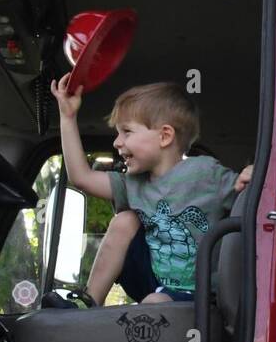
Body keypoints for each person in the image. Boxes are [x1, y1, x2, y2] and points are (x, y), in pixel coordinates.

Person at [52, 76, 251, 306]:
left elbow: (247, 194)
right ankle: (88, 304)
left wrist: (251, 174)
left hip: (201, 294)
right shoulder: (133, 183)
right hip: (153, 281)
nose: (117, 142)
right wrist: (67, 118)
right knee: (124, 220)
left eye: (126, 132)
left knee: (154, 303)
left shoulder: (205, 173)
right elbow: (82, 178)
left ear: (165, 136)